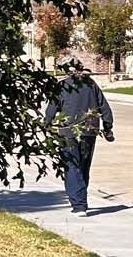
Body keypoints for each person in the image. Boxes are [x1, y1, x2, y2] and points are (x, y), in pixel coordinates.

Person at [44, 59, 114, 214]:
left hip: (68, 132)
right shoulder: (91, 85)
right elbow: (104, 107)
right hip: (89, 131)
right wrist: (108, 127)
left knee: (72, 166)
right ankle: (80, 200)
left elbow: (52, 108)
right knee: (83, 166)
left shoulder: (62, 86)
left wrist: (46, 124)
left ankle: (79, 204)